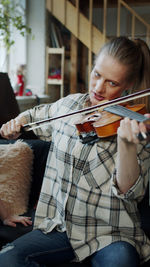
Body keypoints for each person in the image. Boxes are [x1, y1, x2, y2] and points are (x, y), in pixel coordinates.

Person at [0, 36, 150, 267]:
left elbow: (131, 192)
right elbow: (35, 115)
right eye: (97, 74)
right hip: (59, 227)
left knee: (120, 261)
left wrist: (128, 147)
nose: (98, 88)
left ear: (128, 86)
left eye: (112, 83)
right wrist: (15, 124)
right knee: (7, 258)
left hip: (110, 233)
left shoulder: (135, 128)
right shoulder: (68, 106)